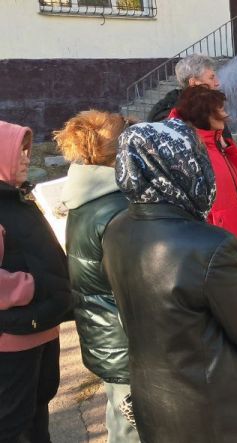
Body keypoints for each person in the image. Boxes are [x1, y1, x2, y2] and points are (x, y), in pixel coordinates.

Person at [102, 120, 237, 442]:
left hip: (154, 405)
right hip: (222, 412)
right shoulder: (209, 246)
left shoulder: (116, 230)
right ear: (182, 166)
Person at [55, 111, 140, 442]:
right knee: (133, 428)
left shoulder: (88, 197)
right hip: (126, 342)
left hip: (109, 338)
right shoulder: (115, 208)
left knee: (122, 422)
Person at [0, 121, 74, 443]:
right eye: (19, 152)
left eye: (28, 151)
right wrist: (32, 287)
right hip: (14, 339)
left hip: (42, 327)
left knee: (37, 415)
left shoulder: (16, 198)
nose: (27, 158)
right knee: (14, 426)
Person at [175, 86, 237, 269]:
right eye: (220, 110)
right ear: (205, 115)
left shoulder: (216, 144)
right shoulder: (195, 151)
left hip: (233, 244)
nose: (226, 115)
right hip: (217, 252)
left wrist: (228, 146)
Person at [148, 54, 223, 124]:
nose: (217, 83)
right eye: (211, 78)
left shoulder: (207, 106)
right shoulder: (170, 114)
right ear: (193, 82)